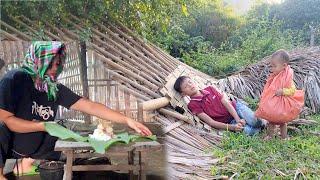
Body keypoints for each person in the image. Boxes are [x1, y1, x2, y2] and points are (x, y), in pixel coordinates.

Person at [0, 41, 152, 180]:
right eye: (49, 63)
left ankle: (27, 163)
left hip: (38, 145)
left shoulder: (53, 88)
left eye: (58, 64)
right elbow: (7, 121)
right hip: (10, 145)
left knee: (75, 150)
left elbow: (89, 106)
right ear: (37, 60)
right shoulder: (14, 79)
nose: (54, 69)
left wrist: (127, 120)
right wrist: (42, 125)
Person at [174, 76, 265, 135]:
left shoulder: (210, 89)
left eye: (190, 82)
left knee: (255, 121)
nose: (190, 85)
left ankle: (263, 122)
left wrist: (238, 119)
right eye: (186, 86)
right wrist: (233, 127)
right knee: (249, 132)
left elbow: (226, 103)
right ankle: (260, 128)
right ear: (183, 94)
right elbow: (211, 122)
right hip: (229, 122)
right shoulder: (193, 105)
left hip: (236, 108)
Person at [255, 49, 304, 140]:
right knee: (271, 122)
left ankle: (284, 137)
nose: (272, 69)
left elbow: (292, 90)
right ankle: (270, 136)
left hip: (282, 106)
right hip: (273, 105)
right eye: (271, 66)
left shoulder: (287, 77)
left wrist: (283, 91)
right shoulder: (274, 76)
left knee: (283, 123)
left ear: (284, 65)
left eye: (274, 66)